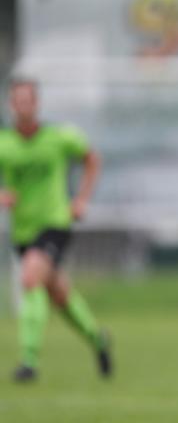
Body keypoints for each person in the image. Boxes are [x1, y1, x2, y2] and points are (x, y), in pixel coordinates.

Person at [0, 78, 111, 382]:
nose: (23, 106)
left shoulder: (59, 138)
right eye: (17, 101)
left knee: (29, 278)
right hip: (23, 230)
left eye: (28, 100)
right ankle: (98, 339)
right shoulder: (4, 144)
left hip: (54, 223)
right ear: (12, 105)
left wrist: (81, 200)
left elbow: (92, 159)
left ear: (36, 104)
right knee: (58, 294)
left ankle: (29, 361)